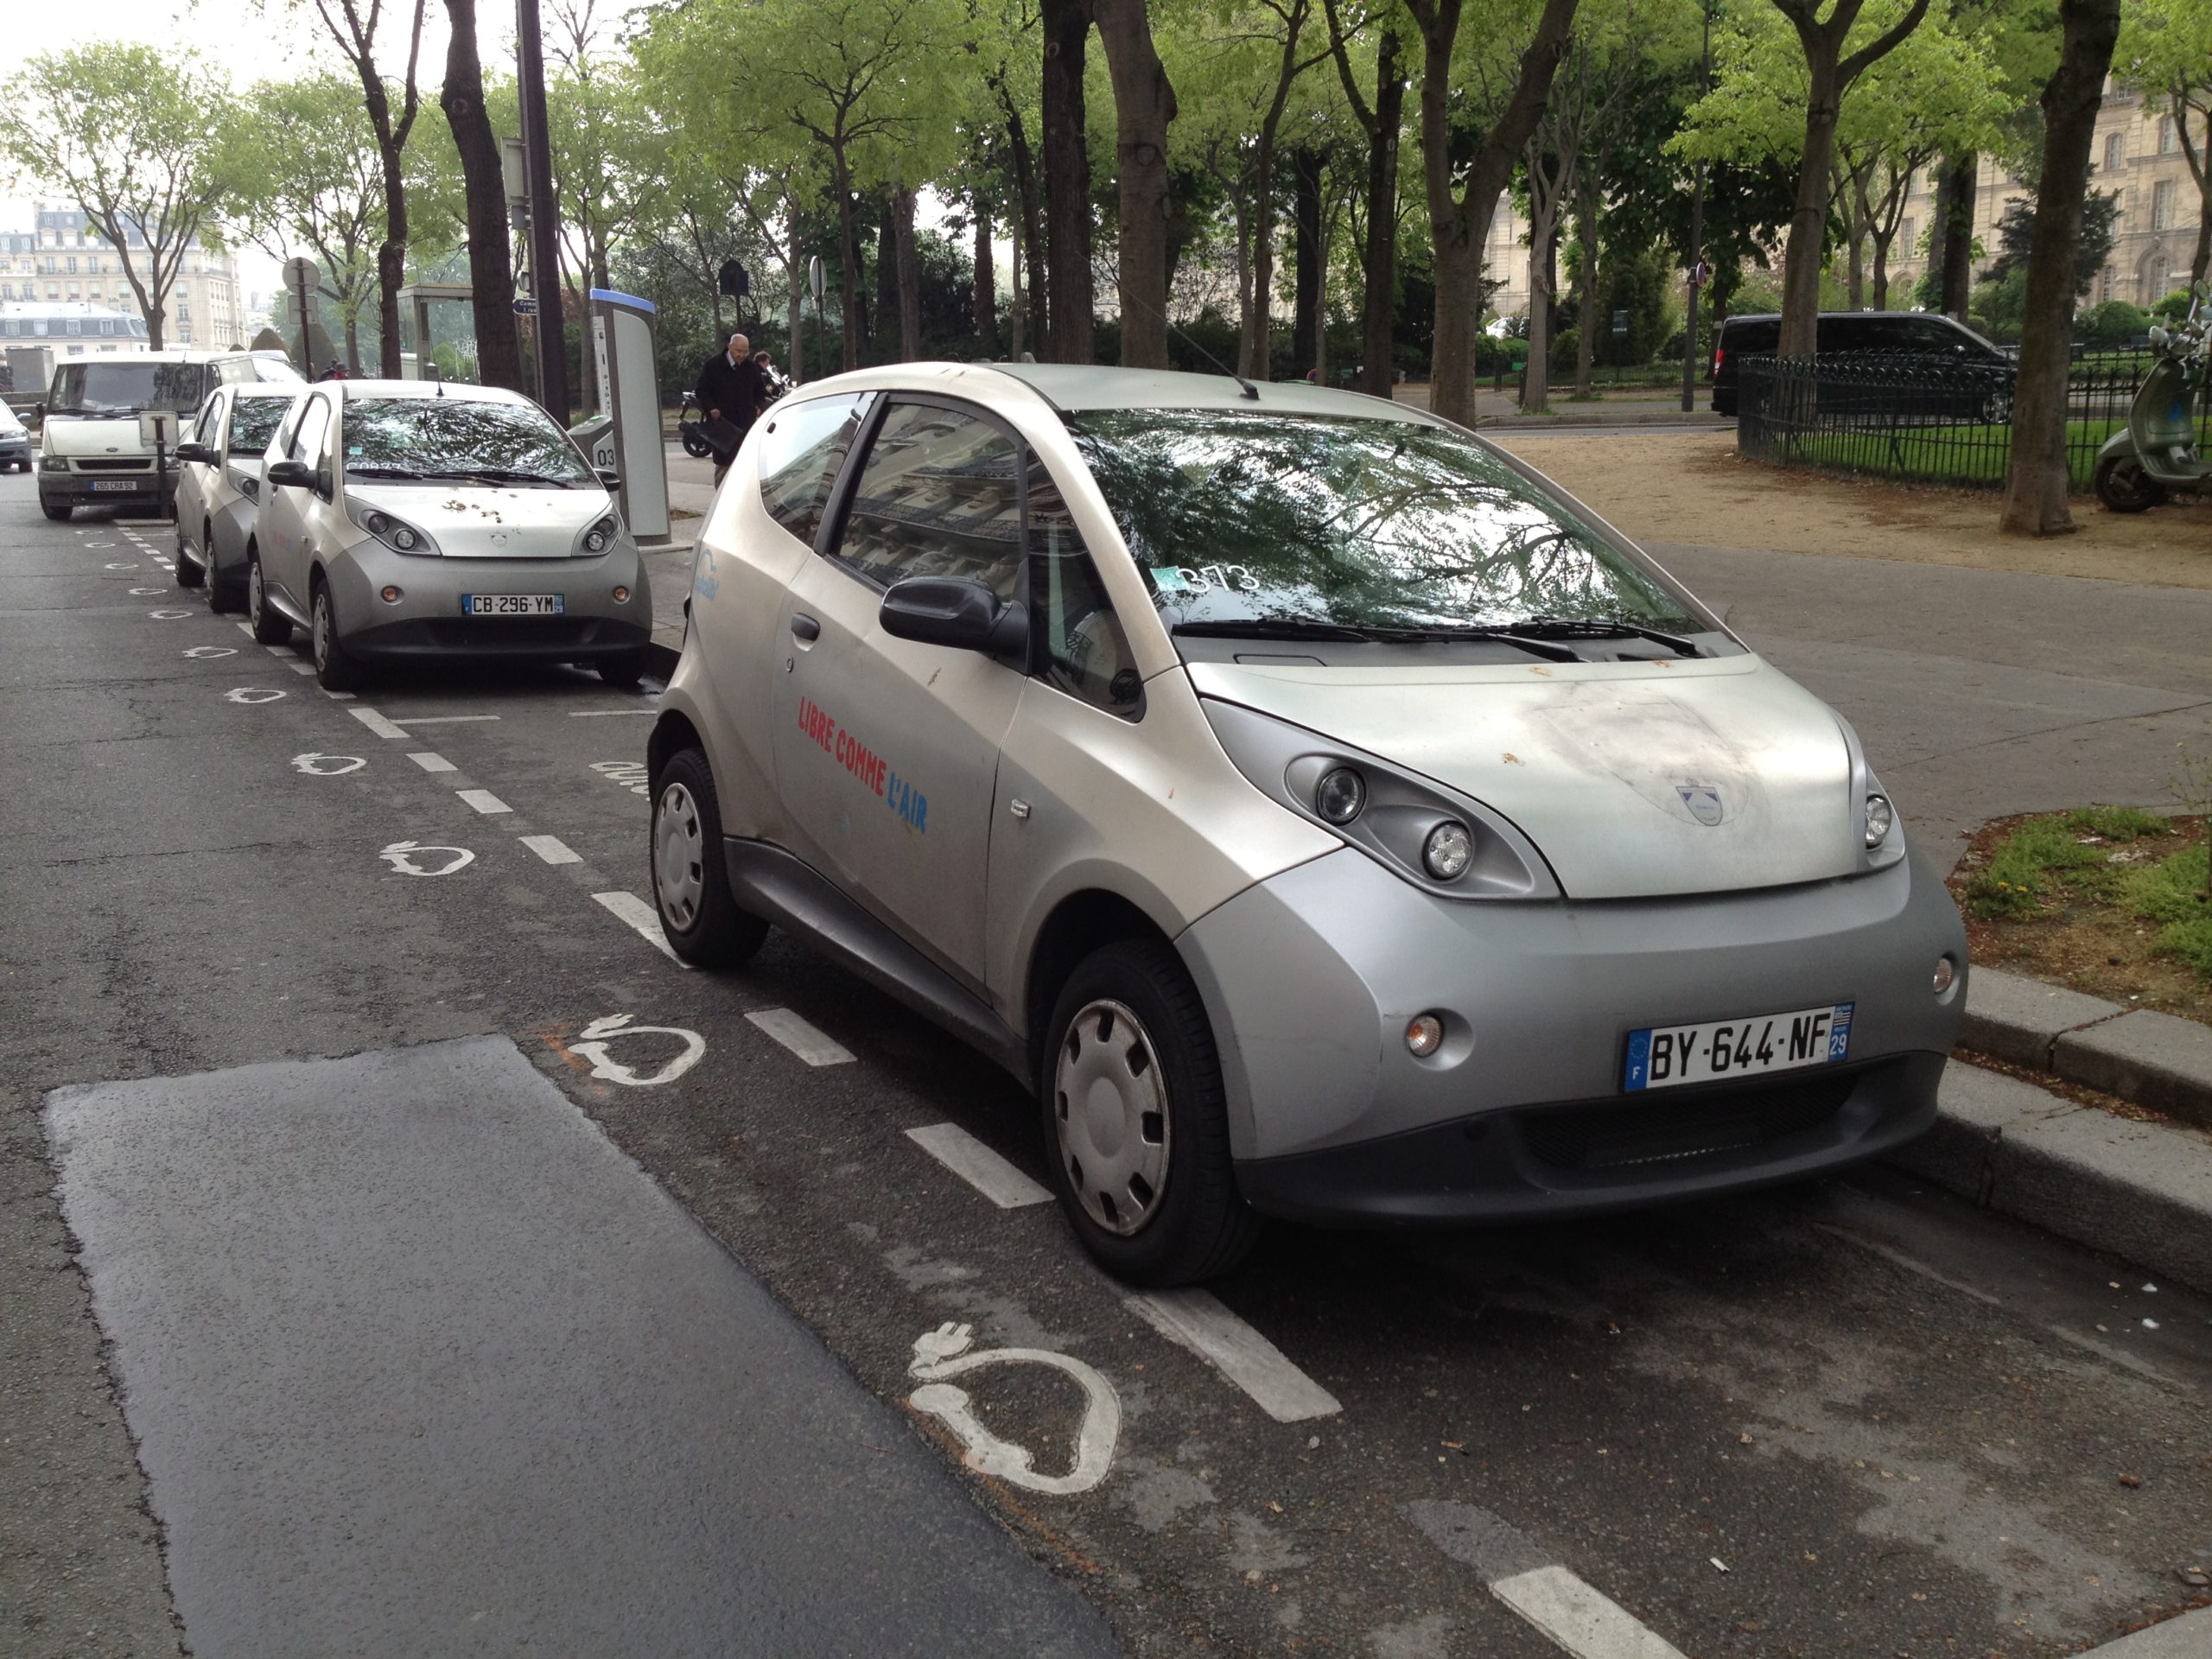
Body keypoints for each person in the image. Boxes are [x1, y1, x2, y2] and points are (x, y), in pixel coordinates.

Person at [694, 332, 766, 485]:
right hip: (723, 423)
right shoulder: (714, 365)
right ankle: (721, 495)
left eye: (745, 352)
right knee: (724, 466)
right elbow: (702, 391)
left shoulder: (751, 368)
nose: (742, 355)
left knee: (746, 464)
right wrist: (711, 408)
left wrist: (759, 406)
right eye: (738, 351)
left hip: (746, 423)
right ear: (729, 347)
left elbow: (760, 392)